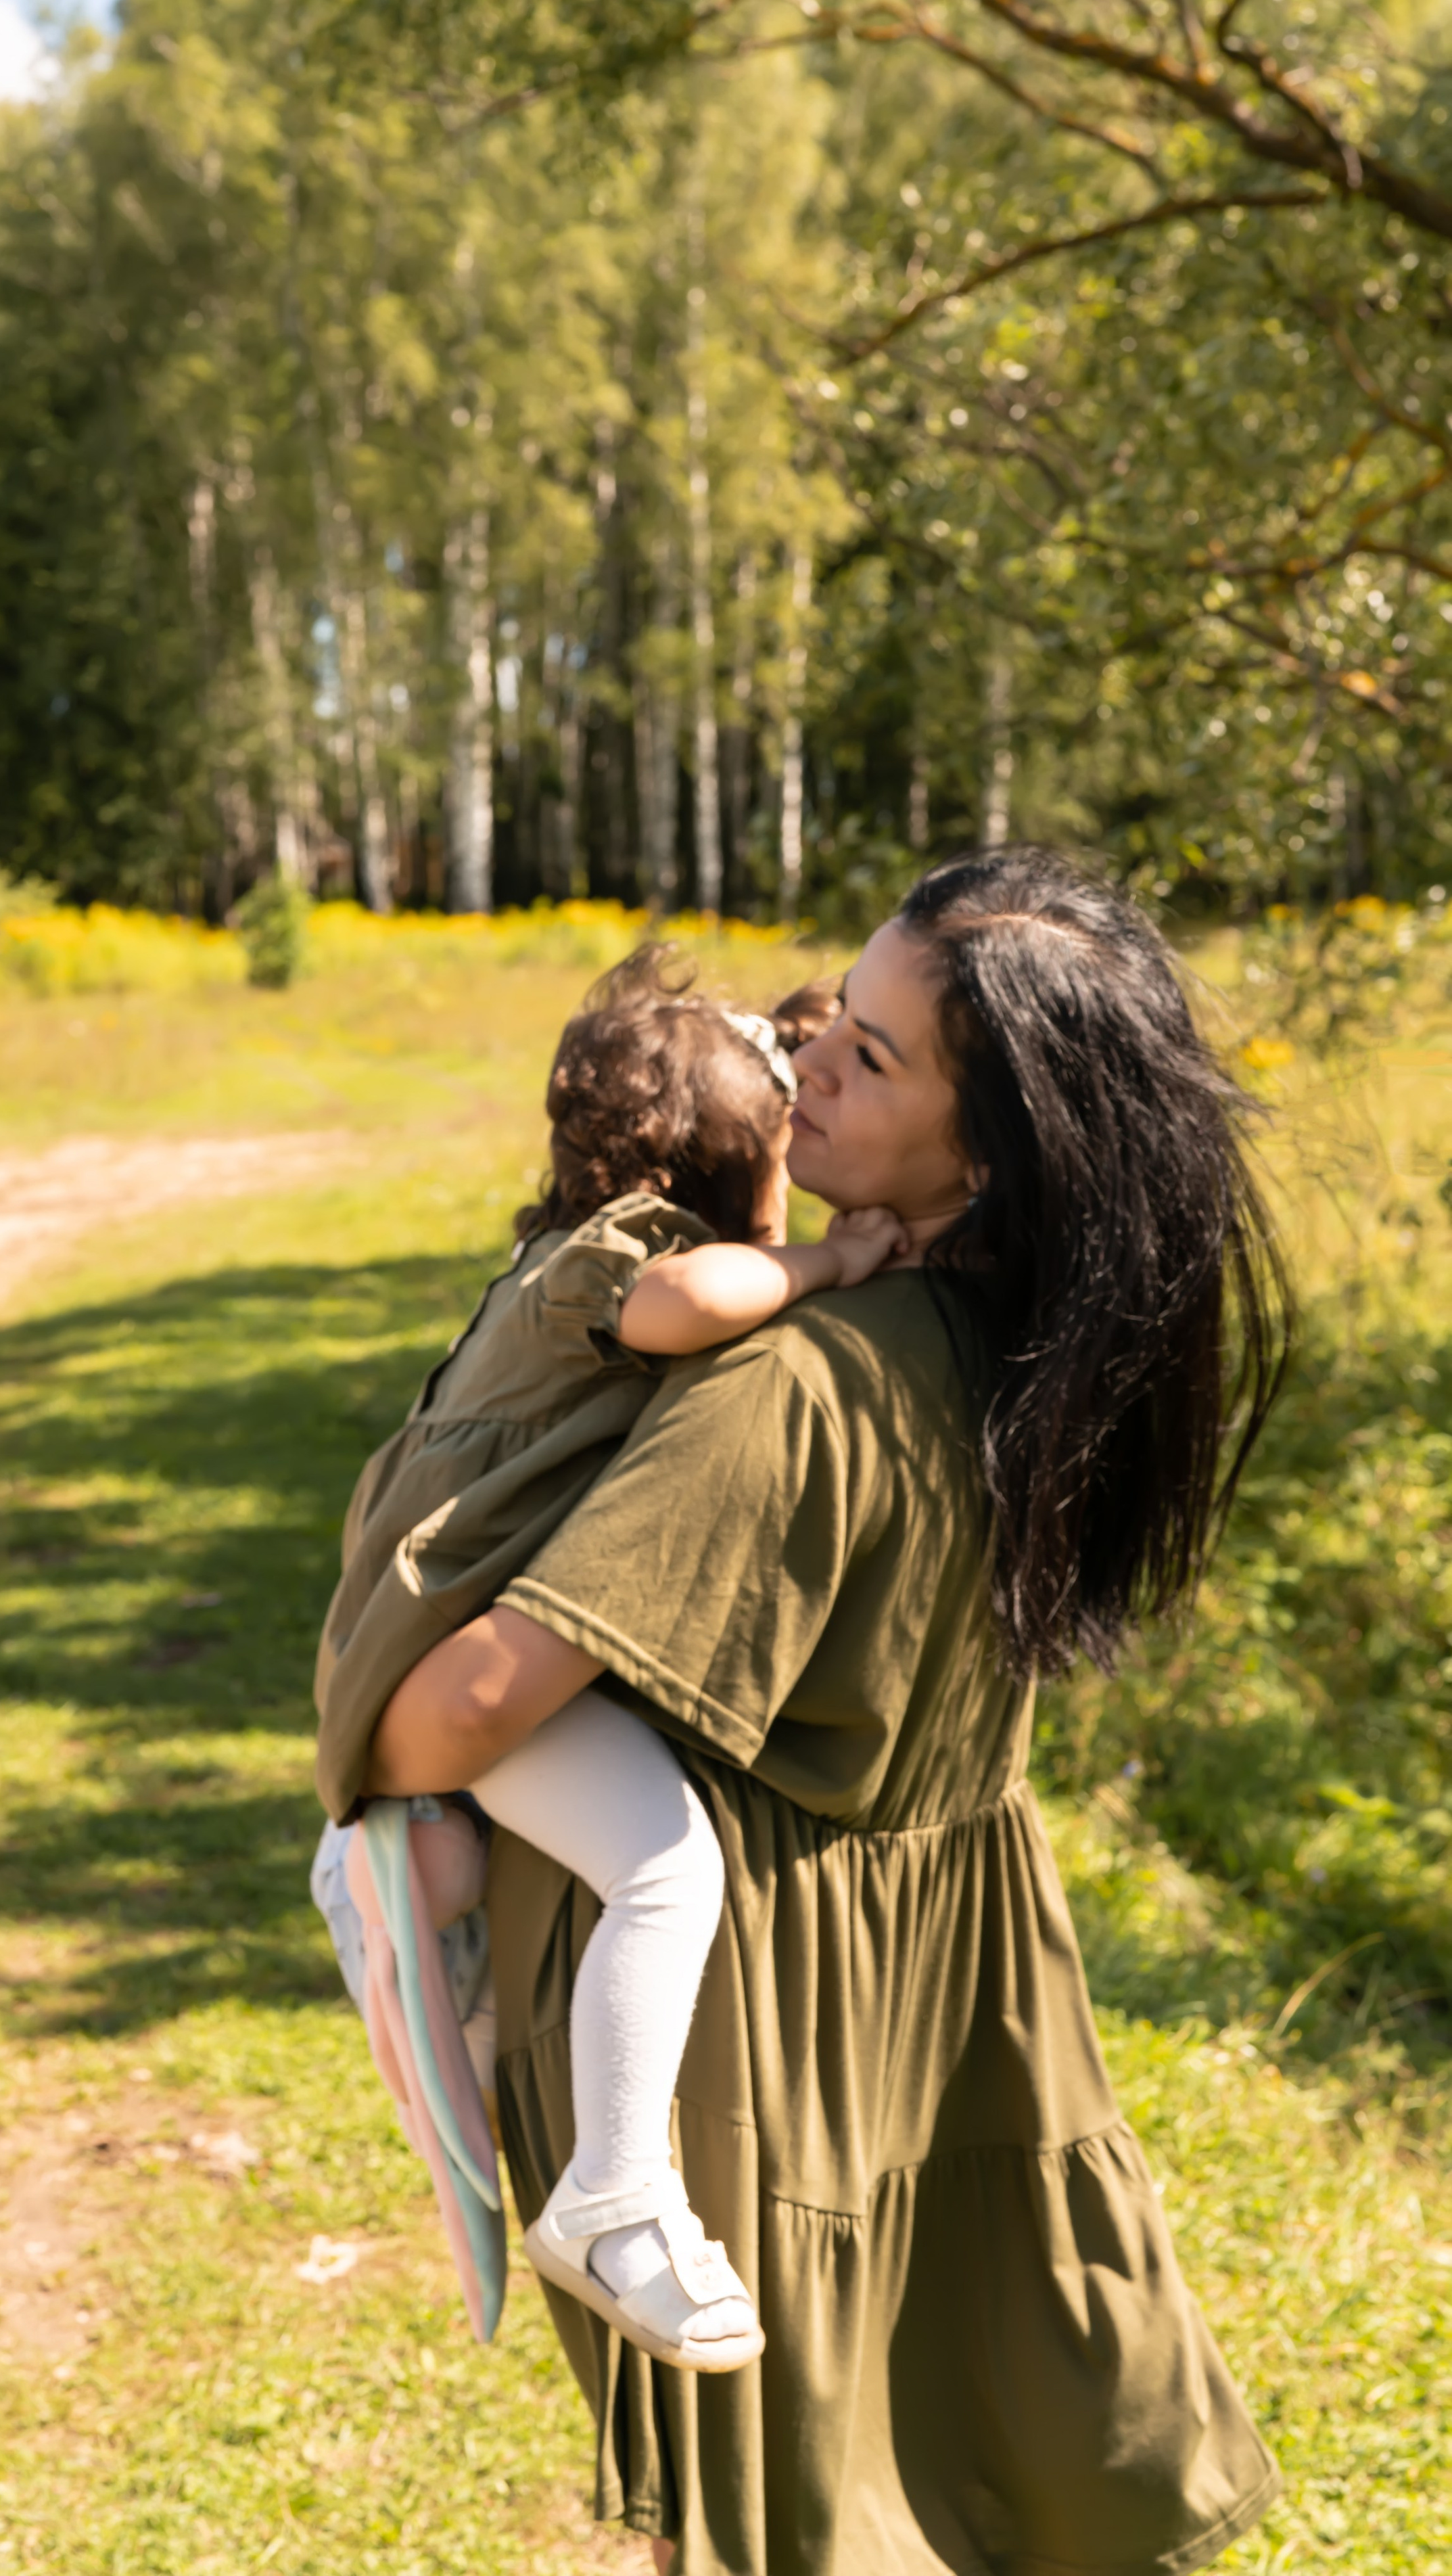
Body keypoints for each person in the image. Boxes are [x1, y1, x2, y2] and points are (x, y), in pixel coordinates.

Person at [358, 852, 1291, 2576]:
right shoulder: (1039, 1347)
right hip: (948, 2001)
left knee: (782, 2510)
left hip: (741, 2034)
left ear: (992, 1145)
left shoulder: (788, 1386)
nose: (809, 1071)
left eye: (872, 1055)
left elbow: (446, 1722)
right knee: (959, 2450)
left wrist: (373, 1714)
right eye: (827, 1026)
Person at [313, 946, 906, 2370]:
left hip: (436, 1632)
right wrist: (828, 1259)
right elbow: (680, 1309)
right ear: (711, 1173)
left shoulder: (550, 1259)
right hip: (463, 1643)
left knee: (486, 1914)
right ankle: (612, 2188)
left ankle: (397, 1874)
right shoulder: (624, 1254)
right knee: (664, 1865)